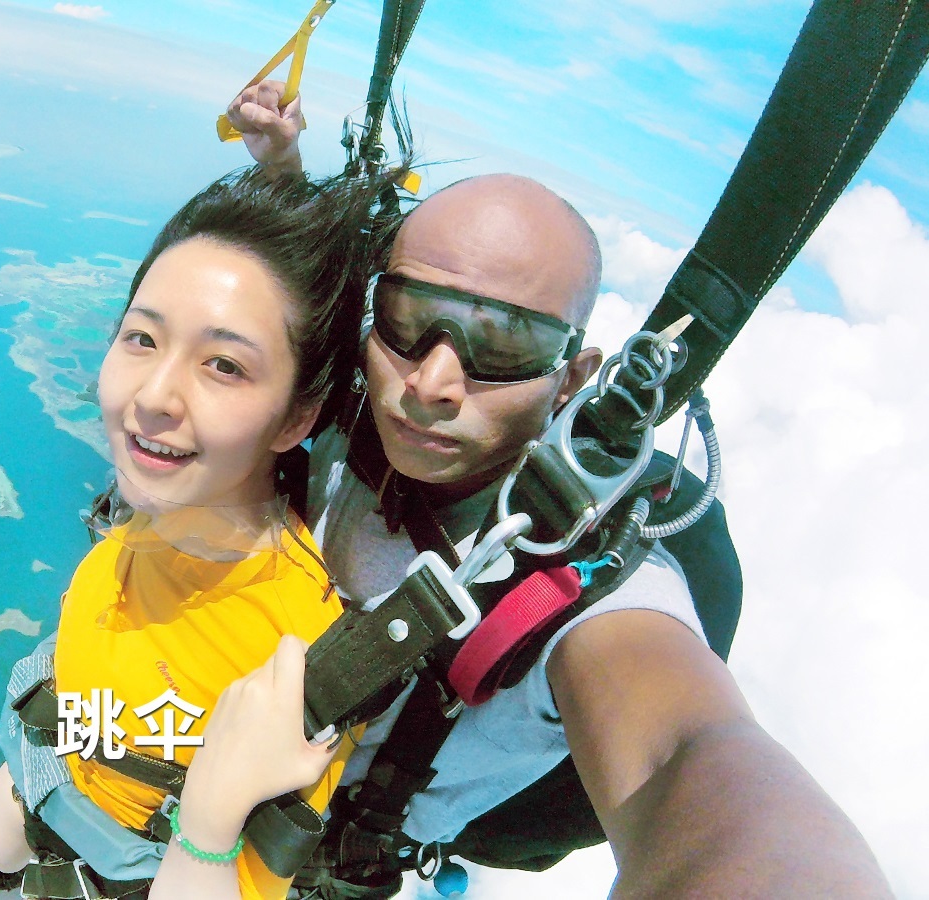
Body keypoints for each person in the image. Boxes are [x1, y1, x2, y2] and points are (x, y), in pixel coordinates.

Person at [145, 82, 890, 898]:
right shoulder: (352, 398)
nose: (431, 381)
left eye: (502, 343)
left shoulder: (588, 581)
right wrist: (283, 165)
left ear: (572, 376)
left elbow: (689, 754)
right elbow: (302, 296)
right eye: (409, 318)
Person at [0, 167, 403, 900]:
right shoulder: (132, 538)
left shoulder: (290, 656)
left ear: (296, 418)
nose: (154, 395)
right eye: (142, 338)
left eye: (225, 365)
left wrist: (208, 826)